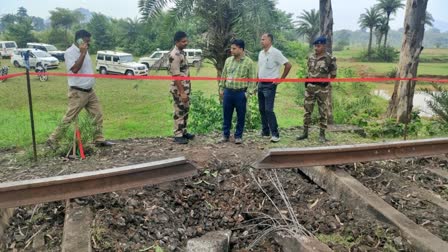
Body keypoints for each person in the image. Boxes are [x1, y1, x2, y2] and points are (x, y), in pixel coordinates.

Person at [47, 30, 114, 147]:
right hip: (78, 92)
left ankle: (98, 140)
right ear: (79, 40)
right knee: (69, 117)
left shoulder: (85, 50)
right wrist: (82, 53)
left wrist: (84, 52)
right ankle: (53, 140)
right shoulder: (70, 52)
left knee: (97, 114)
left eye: (89, 42)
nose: (88, 44)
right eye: (86, 41)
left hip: (90, 91)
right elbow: (74, 69)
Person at [297, 36, 337, 142]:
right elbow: (309, 71)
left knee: (322, 111)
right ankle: (305, 133)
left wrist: (326, 82)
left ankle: (322, 135)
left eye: (318, 46)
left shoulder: (329, 58)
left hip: (322, 89)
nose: (316, 48)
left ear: (324, 46)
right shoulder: (311, 57)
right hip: (310, 88)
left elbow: (333, 74)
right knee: (307, 111)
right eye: (315, 46)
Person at [218, 39, 256, 144]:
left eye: (234, 48)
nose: (231, 50)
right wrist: (221, 88)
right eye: (231, 48)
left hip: (240, 93)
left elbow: (253, 80)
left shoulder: (249, 62)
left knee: (241, 115)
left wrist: (247, 93)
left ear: (241, 49)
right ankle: (225, 135)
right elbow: (224, 75)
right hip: (228, 92)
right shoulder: (228, 60)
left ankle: (238, 136)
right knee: (226, 115)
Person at [257, 33, 292, 142]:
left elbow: (288, 65)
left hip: (270, 85)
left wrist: (281, 79)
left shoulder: (276, 53)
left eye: (263, 39)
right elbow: (260, 69)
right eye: (261, 39)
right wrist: (256, 83)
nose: (261, 41)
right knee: (262, 109)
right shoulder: (261, 53)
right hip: (260, 84)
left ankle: (275, 134)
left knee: (268, 109)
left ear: (270, 40)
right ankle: (265, 131)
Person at [168, 31, 195, 144]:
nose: (186, 43)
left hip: (185, 88)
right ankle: (178, 134)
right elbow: (176, 76)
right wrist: (182, 93)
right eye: (183, 41)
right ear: (177, 42)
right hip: (179, 89)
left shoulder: (181, 53)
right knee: (179, 111)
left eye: (186, 40)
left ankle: (183, 131)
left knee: (185, 110)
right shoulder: (175, 55)